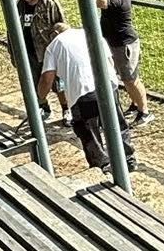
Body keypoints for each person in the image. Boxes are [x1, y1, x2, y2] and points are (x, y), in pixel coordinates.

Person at [37, 20, 133, 173]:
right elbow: (110, 60)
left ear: (54, 33)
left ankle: (102, 165)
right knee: (117, 122)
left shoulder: (54, 45)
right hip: (108, 84)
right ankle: (128, 158)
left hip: (81, 91)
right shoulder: (90, 33)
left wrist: (40, 98)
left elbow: (46, 78)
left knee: (88, 130)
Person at [93, 0, 152, 126]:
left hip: (124, 44)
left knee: (131, 79)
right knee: (126, 78)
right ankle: (135, 105)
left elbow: (98, 1)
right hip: (115, 44)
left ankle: (145, 112)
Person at [13, 0, 63, 76]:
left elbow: (62, 28)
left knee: (56, 84)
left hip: (48, 54)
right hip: (28, 54)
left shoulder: (50, 4)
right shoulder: (19, 6)